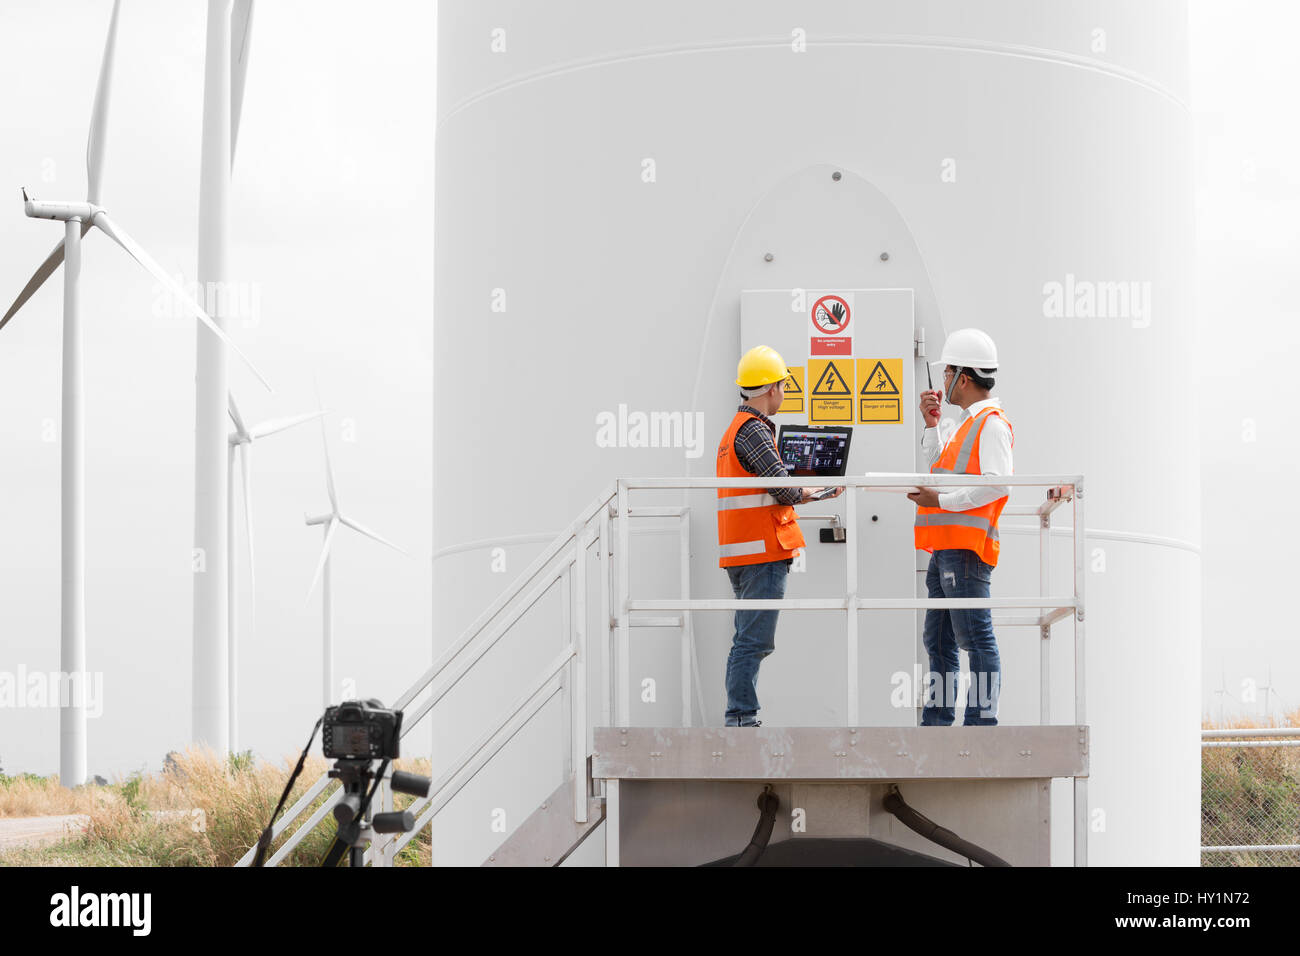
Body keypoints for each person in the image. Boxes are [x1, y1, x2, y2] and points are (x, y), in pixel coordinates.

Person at [716, 345, 842, 727]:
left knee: (748, 638)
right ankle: (741, 717)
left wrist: (802, 486)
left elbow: (770, 486)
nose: (785, 392)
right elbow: (784, 491)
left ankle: (741, 715)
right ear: (771, 388)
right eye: (784, 385)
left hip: (745, 552)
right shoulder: (754, 431)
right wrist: (818, 491)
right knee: (753, 641)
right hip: (762, 554)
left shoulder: (735, 430)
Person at [907, 329, 1013, 726]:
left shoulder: (991, 425)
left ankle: (981, 723)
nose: (944, 380)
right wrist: (932, 423)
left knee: (975, 638)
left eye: (948, 371)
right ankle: (936, 720)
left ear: (963, 378)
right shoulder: (967, 424)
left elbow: (997, 483)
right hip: (946, 549)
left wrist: (941, 502)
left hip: (965, 551)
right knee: (938, 640)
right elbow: (940, 466)